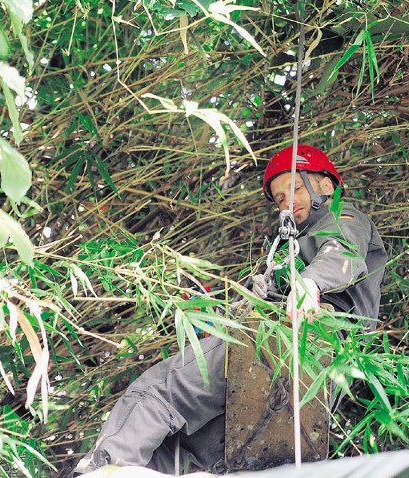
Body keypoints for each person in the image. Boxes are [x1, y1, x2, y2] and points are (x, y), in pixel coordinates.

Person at [73, 144, 387, 476]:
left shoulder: (344, 218)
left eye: (294, 188)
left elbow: (342, 253)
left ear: (326, 185)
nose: (287, 202)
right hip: (310, 372)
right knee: (188, 444)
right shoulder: (292, 243)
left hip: (292, 338)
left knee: (160, 393)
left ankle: (102, 470)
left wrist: (309, 284)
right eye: (279, 199)